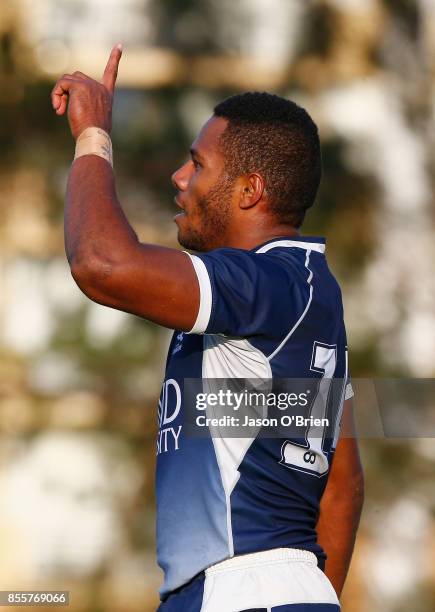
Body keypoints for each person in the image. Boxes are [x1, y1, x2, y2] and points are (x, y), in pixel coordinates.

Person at [52, 45, 364, 612]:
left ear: (249, 191)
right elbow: (340, 485)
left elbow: (101, 263)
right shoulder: (300, 292)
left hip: (242, 591)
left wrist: (92, 136)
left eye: (197, 164)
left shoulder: (266, 284)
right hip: (263, 592)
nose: (179, 177)